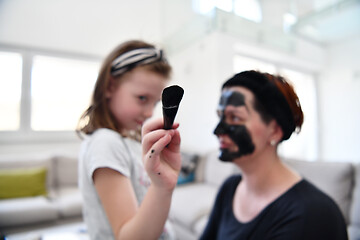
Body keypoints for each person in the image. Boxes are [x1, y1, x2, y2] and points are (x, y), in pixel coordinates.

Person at [200, 70, 348, 240]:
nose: (217, 131)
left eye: (235, 118)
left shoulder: (314, 214)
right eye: (220, 117)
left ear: (275, 131)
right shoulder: (230, 188)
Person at [77, 40, 181, 240]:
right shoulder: (106, 143)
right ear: (109, 87)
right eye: (142, 98)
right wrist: (162, 187)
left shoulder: (126, 142)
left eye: (156, 102)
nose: (150, 111)